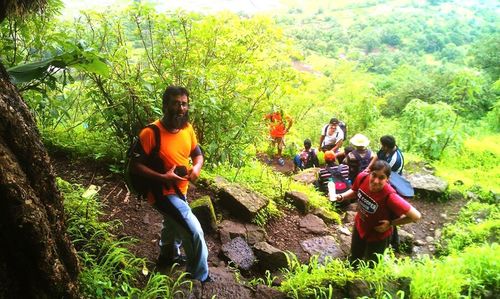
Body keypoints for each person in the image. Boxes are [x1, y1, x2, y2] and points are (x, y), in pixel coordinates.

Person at [130, 86, 210, 282]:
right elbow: (135, 166)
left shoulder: (187, 129)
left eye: (184, 104)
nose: (180, 108)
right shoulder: (151, 133)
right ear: (165, 105)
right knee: (193, 231)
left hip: (179, 187)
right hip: (159, 192)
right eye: (175, 103)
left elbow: (197, 154)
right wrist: (164, 177)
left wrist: (197, 168)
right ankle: (200, 276)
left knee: (172, 222)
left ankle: (167, 255)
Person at [334, 160, 421, 267]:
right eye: (374, 175)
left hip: (378, 236)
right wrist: (342, 196)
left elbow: (416, 216)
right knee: (354, 257)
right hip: (360, 226)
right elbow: (355, 191)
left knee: (371, 265)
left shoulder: (390, 196)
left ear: (387, 180)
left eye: (381, 178)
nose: (376, 181)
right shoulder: (362, 178)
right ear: (369, 172)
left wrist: (391, 223)